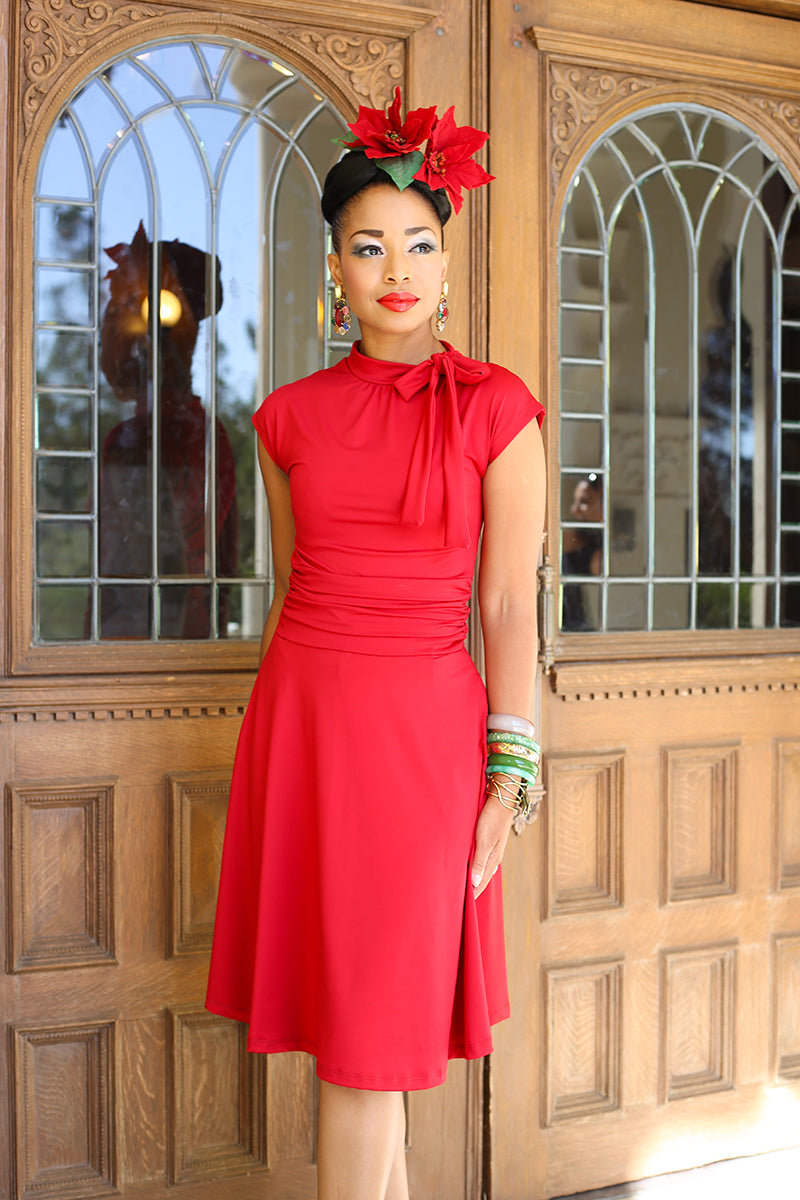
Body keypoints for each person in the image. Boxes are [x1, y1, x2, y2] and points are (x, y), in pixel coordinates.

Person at [205, 88, 546, 1200]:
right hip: (301, 729)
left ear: (447, 263)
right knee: (360, 1048)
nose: (395, 267)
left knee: (373, 1044)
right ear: (335, 271)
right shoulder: (284, 418)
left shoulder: (497, 410)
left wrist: (510, 774)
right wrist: (272, 754)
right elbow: (289, 589)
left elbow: (504, 606)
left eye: (417, 242)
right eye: (367, 246)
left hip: (423, 747)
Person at [561, 473, 603, 631]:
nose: (574, 509)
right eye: (575, 502)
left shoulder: (599, 555)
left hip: (579, 632)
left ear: (603, 506)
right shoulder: (568, 538)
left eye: (584, 502)